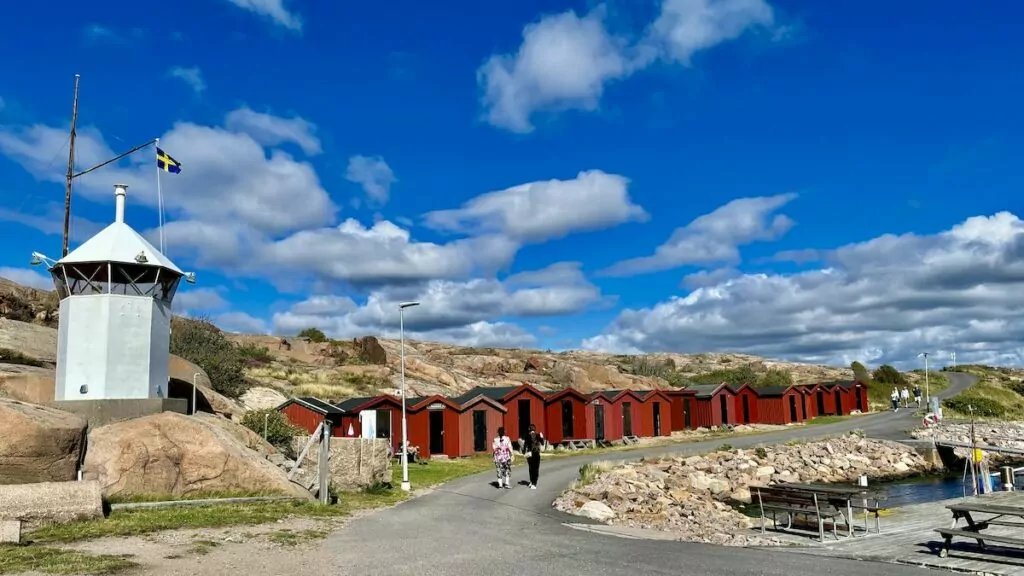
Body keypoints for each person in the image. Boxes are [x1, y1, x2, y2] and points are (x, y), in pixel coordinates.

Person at [521, 424, 544, 489]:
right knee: (536, 469)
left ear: (529, 430)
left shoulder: (527, 436)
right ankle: (534, 483)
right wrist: (542, 437)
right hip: (536, 454)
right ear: (534, 429)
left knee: (531, 469)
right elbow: (542, 444)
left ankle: (531, 482)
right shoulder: (538, 435)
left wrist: (524, 453)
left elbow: (525, 446)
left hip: (529, 455)